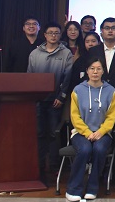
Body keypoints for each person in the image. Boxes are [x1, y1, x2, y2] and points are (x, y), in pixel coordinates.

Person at [65, 57, 115, 202]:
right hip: (81, 133)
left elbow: (111, 117)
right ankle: (73, 189)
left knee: (99, 149)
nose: (95, 72)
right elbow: (75, 116)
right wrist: (88, 133)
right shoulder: (78, 90)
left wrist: (101, 131)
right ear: (87, 71)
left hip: (103, 133)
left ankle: (92, 188)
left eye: (98, 69)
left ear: (103, 71)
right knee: (85, 149)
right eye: (92, 69)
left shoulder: (111, 91)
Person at [28, 21, 74, 175]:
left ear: (60, 35)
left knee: (54, 133)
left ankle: (55, 167)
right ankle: (39, 166)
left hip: (56, 100)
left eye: (56, 33)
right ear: (45, 35)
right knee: (39, 133)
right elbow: (29, 76)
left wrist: (61, 97)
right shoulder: (35, 53)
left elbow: (67, 78)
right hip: (38, 100)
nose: (53, 36)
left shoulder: (66, 53)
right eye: (50, 33)